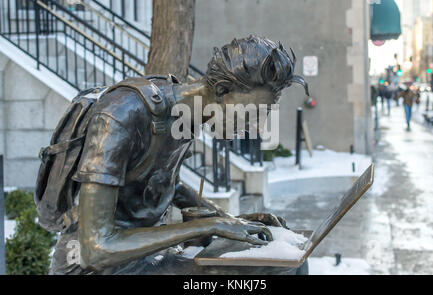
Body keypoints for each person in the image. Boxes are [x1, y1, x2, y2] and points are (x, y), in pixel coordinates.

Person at [46, 36, 309, 275]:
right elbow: (96, 248)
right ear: (222, 92)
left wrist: (231, 220)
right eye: (251, 113)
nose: (256, 127)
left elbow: (164, 184)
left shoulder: (186, 114)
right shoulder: (121, 115)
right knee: (266, 269)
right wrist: (210, 226)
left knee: (292, 260)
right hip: (92, 266)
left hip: (145, 256)